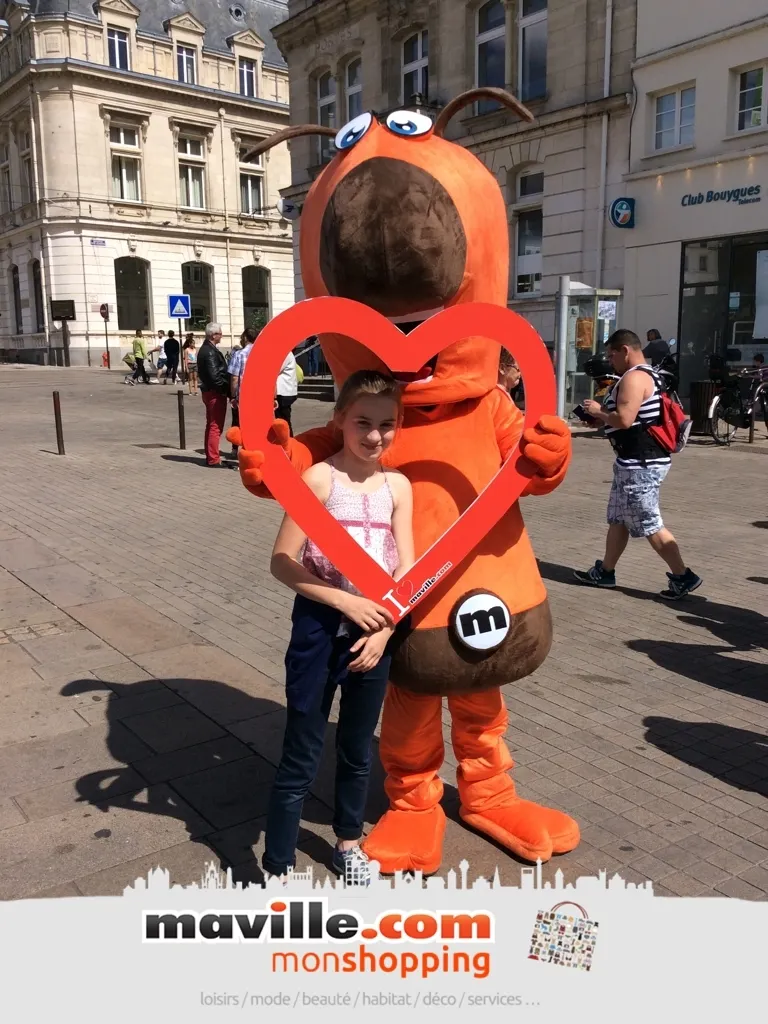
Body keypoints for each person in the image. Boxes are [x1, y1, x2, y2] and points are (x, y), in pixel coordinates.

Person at [265, 369, 414, 881]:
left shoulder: (398, 486)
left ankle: (348, 843)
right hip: (319, 627)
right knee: (302, 748)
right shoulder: (318, 479)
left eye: (386, 424)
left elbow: (408, 568)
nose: (374, 435)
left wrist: (385, 630)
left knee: (357, 749)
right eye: (362, 422)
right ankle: (278, 864)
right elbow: (282, 561)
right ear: (340, 420)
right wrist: (345, 603)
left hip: (377, 633)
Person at [573, 328, 702, 600]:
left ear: (625, 350)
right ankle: (605, 572)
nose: (610, 361)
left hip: (640, 464)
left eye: (612, 355)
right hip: (632, 461)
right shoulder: (649, 374)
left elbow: (625, 419)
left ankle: (683, 576)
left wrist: (599, 411)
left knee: (648, 522)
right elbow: (632, 418)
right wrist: (600, 419)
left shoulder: (634, 378)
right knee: (618, 518)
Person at [197, 323, 229, 466]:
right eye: (220, 333)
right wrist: (224, 389)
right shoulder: (209, 351)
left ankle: (211, 455)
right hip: (215, 393)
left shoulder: (207, 349)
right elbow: (214, 375)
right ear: (213, 335)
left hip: (209, 391)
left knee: (211, 424)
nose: (221, 336)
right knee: (215, 426)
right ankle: (213, 458)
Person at [228, 327, 258, 458]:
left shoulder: (239, 354)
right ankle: (253, 450)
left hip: (243, 396)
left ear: (245, 338)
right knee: (256, 425)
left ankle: (237, 450)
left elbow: (234, 377)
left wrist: (233, 395)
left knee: (239, 423)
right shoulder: (262, 353)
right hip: (259, 396)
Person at [275, 350, 299, 436]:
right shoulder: (286, 353)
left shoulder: (285, 353)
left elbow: (275, 369)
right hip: (285, 392)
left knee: (283, 421)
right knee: (282, 419)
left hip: (284, 393)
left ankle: (289, 440)